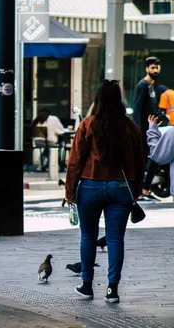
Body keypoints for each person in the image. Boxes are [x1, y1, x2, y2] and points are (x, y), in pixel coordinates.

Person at [65, 80, 144, 304]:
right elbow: (139, 162)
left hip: (90, 186)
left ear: (98, 100)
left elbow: (75, 162)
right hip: (121, 188)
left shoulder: (87, 125)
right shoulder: (130, 127)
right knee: (115, 238)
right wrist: (136, 191)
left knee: (88, 236)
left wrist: (70, 191)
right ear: (118, 99)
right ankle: (112, 289)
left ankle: (87, 285)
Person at [132, 56, 162, 203]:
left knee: (155, 158)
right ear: (147, 69)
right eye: (152, 68)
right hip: (143, 131)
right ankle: (139, 193)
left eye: (157, 67)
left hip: (151, 129)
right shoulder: (143, 85)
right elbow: (137, 109)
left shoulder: (152, 86)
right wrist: (137, 129)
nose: (155, 70)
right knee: (142, 161)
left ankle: (145, 190)